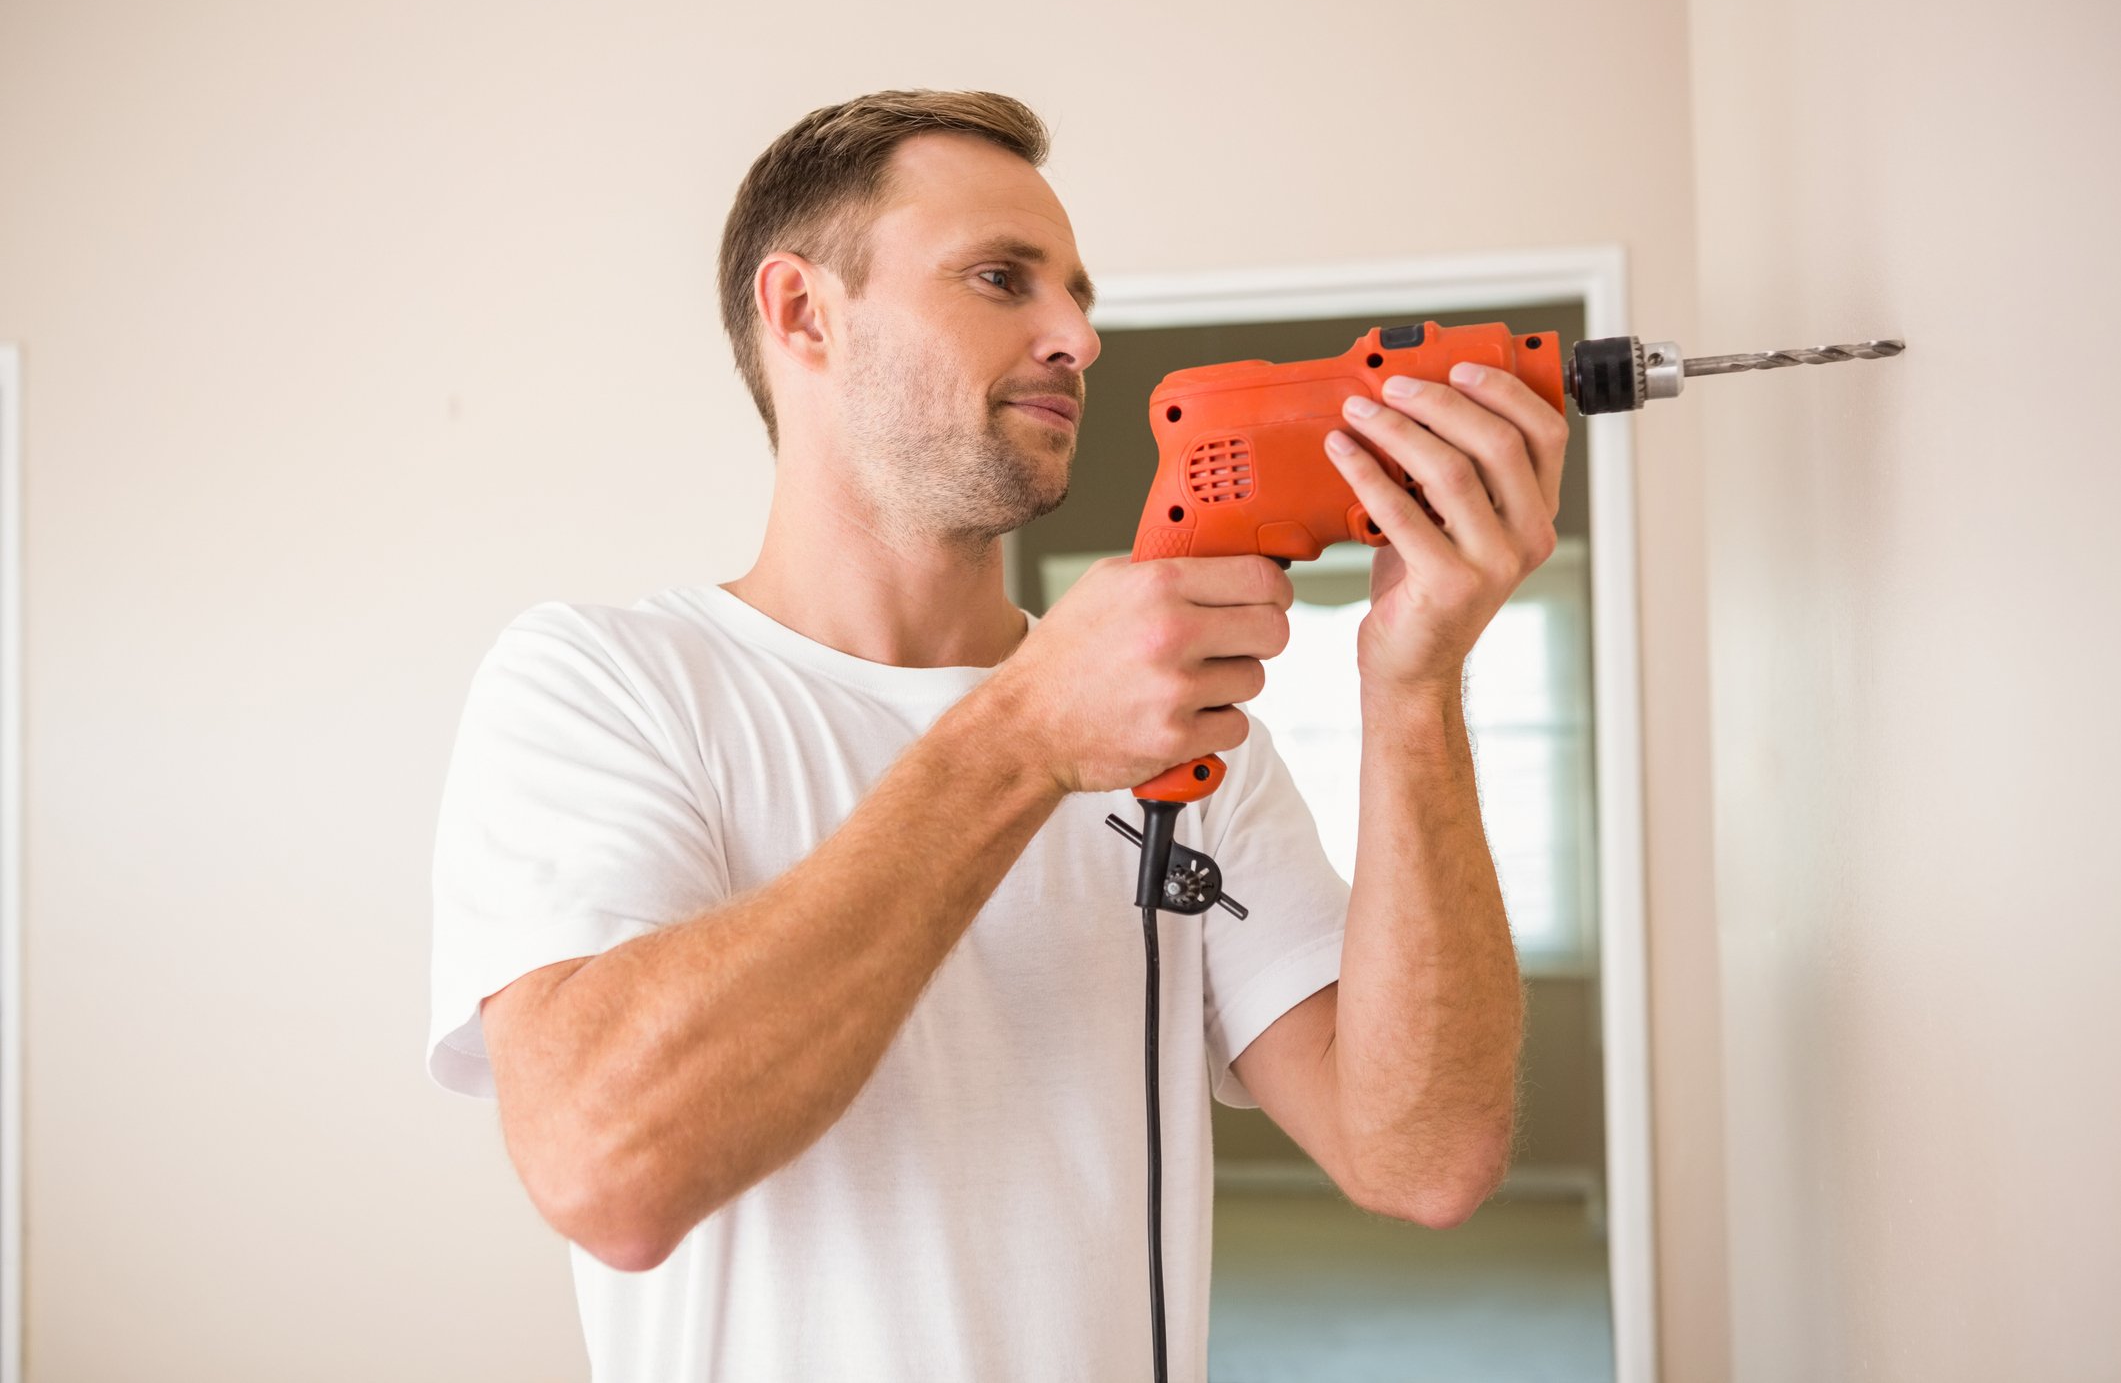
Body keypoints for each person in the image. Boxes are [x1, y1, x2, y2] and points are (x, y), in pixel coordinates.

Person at [426, 88, 1561, 1383]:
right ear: (802, 311)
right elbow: (605, 1172)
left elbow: (1419, 1156)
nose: (1075, 334)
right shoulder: (606, 682)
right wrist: (1020, 738)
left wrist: (1413, 689)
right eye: (998, 278)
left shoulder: (1186, 730)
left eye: (1074, 292)